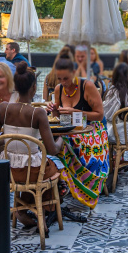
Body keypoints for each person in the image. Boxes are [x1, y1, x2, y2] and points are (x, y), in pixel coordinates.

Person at [0, 62, 63, 229]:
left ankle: (24, 209)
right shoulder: (38, 113)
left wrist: (9, 142)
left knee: (34, 166)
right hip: (33, 173)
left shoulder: (2, 108)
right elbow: (52, 150)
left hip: (7, 172)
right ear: (34, 88)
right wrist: (61, 140)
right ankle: (40, 214)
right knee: (54, 168)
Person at [48, 57, 109, 208]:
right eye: (60, 78)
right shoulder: (58, 88)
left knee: (68, 144)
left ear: (74, 73)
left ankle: (78, 183)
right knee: (48, 143)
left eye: (66, 78)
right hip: (68, 128)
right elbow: (58, 117)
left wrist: (75, 111)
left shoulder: (87, 86)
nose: (63, 82)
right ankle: (60, 181)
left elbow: (100, 115)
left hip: (92, 128)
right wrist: (54, 110)